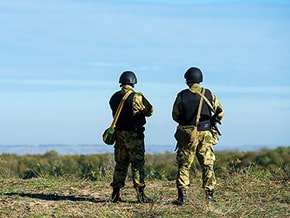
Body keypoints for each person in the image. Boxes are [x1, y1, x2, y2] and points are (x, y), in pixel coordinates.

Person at [172, 67, 224, 205]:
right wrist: (212, 120)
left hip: (188, 135)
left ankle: (182, 198)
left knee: (184, 165)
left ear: (187, 80)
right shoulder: (208, 94)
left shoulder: (181, 95)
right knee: (207, 165)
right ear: (200, 80)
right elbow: (221, 112)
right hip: (206, 134)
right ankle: (210, 197)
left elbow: (175, 115)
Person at [109, 70, 154, 203]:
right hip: (134, 134)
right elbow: (149, 111)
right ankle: (140, 195)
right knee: (137, 164)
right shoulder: (137, 97)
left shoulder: (114, 97)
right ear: (133, 82)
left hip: (119, 134)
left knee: (120, 164)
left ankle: (115, 194)